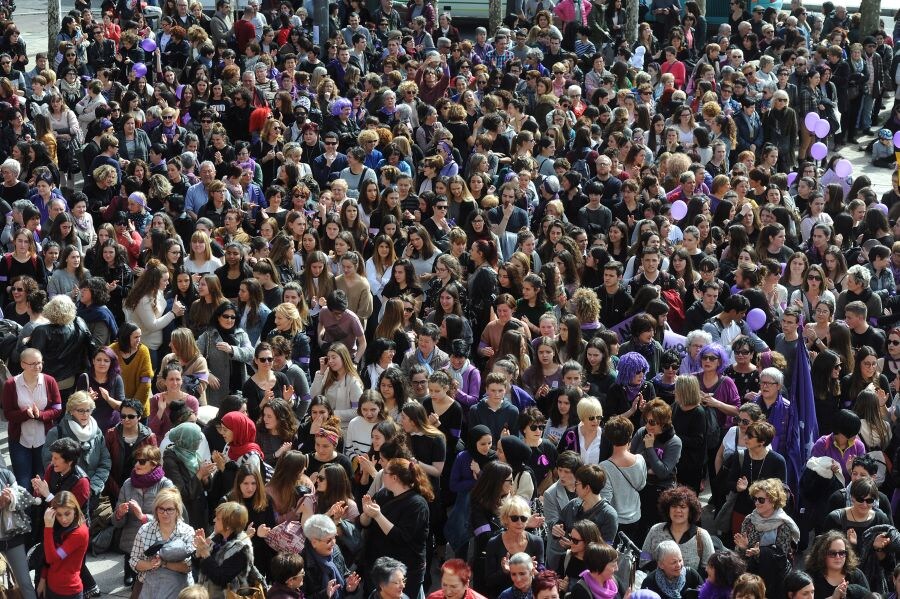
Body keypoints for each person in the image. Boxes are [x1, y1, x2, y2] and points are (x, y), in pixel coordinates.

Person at [361, 458, 432, 599]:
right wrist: (367, 513)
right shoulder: (383, 494)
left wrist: (378, 515)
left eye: (385, 472)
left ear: (394, 477)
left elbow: (401, 537)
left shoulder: (417, 504)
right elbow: (364, 523)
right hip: (379, 565)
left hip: (404, 570)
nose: (381, 474)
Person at [111, 444, 173, 587]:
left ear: (154, 464)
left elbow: (171, 517)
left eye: (142, 461)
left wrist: (143, 516)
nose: (137, 464)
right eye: (136, 461)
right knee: (136, 586)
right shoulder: (127, 484)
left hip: (156, 543)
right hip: (131, 544)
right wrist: (119, 514)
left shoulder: (165, 485)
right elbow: (116, 522)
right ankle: (129, 570)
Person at [2, 347, 62, 489]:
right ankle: (26, 511)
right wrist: (25, 414)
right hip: (20, 440)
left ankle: (42, 511)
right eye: (33, 363)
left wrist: (40, 415)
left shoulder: (49, 381)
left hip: (44, 439)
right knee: (23, 482)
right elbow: (7, 413)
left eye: (39, 362)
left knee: (43, 481)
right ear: (23, 364)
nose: (37, 366)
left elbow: (58, 408)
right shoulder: (11, 384)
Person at [42, 390, 111, 503]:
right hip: (64, 495)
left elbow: (105, 462)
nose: (85, 414)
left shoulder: (97, 432)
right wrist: (75, 487)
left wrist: (93, 487)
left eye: (88, 410)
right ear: (71, 411)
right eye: (80, 410)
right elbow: (50, 465)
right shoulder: (56, 433)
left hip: (92, 493)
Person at [130, 487, 196, 599]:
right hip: (147, 587)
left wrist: (163, 564)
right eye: (161, 509)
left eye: (170, 509)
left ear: (177, 511)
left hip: (180, 589)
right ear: (156, 509)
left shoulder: (187, 532)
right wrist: (150, 564)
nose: (165, 514)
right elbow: (133, 561)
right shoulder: (144, 530)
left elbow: (189, 566)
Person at [642, 486, 715, 572]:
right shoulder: (655, 530)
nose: (677, 510)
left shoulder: (702, 536)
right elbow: (644, 557)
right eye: (674, 506)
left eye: (683, 507)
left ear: (690, 511)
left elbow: (711, 569)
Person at [38, 491, 89, 599]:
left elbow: (52, 558)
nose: (63, 519)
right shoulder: (59, 525)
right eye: (59, 515)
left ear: (75, 510)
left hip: (69, 592)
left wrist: (48, 528)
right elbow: (48, 556)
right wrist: (43, 579)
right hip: (52, 587)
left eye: (67, 513)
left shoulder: (79, 533)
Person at [300, 514, 361, 599]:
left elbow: (344, 573)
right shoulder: (302, 564)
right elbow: (302, 596)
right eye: (329, 540)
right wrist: (325, 595)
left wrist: (349, 586)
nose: (334, 543)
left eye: (334, 537)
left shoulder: (335, 550)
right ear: (314, 543)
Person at [804, 530, 869, 599]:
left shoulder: (856, 575)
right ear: (822, 555)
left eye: (842, 553)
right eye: (832, 553)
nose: (838, 557)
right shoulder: (810, 577)